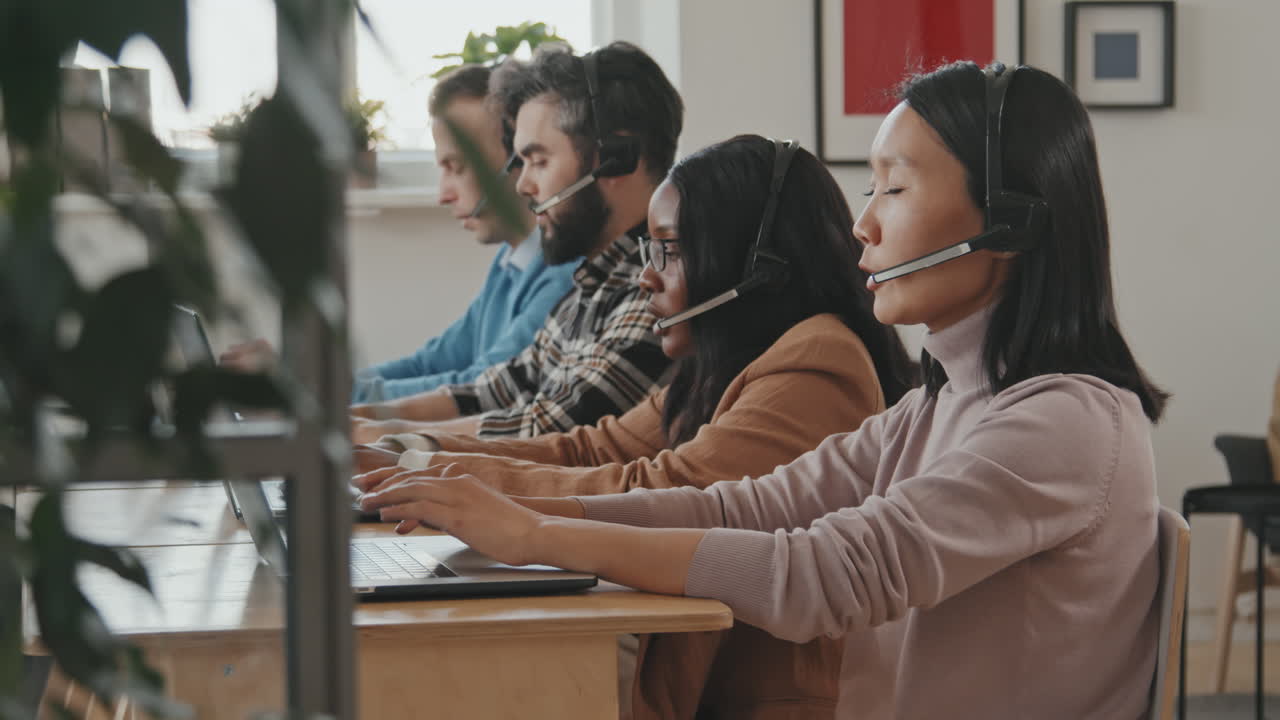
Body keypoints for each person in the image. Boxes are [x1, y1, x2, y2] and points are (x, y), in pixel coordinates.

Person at [359, 61, 1171, 718]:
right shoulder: (939, 404)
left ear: (1009, 221)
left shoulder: (1065, 421)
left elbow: (822, 574)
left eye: (894, 186)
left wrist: (536, 535)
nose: (866, 226)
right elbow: (738, 506)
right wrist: (520, 513)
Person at [355, 134, 918, 718]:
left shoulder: (817, 358)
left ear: (750, 265)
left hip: (755, 700)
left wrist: (465, 491)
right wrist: (408, 458)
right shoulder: (721, 361)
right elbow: (593, 449)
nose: (646, 278)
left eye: (669, 251)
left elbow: (670, 489)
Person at [350, 42, 681, 441]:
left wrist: (375, 438)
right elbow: (494, 389)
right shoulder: (592, 286)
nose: (524, 185)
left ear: (617, 158)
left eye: (539, 161)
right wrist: (353, 421)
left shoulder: (657, 292)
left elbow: (548, 431)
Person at [221, 65, 576, 400]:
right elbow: (429, 364)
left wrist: (311, 392)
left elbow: (480, 385)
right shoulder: (512, 263)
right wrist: (311, 385)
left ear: (518, 159)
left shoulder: (561, 277)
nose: (443, 194)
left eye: (457, 167)